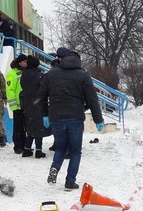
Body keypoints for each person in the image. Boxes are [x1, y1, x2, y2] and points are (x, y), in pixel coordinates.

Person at [37, 49, 104, 190]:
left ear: (62, 59)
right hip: (75, 118)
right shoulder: (83, 75)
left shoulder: (51, 74)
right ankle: (70, 181)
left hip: (56, 117)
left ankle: (55, 167)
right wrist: (98, 119)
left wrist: (45, 114)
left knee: (60, 147)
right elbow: (92, 99)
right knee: (75, 151)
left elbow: (41, 96)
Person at [20, 55, 51, 158]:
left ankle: (27, 149)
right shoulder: (39, 75)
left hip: (27, 104)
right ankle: (38, 150)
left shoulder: (23, 75)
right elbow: (44, 89)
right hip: (38, 104)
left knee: (30, 127)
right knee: (39, 128)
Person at [48, 47, 70, 152]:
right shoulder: (74, 69)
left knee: (60, 128)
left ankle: (60, 146)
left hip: (58, 103)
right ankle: (63, 147)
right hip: (66, 104)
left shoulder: (54, 72)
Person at [6, 54, 28, 154]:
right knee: (18, 127)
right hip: (18, 106)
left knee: (25, 127)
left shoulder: (25, 72)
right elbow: (10, 91)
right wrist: (14, 106)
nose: (26, 63)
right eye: (24, 62)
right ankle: (18, 146)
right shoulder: (12, 74)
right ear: (20, 62)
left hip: (25, 105)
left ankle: (24, 145)